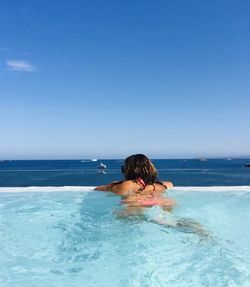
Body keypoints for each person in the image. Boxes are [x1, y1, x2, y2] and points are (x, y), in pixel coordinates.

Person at [95, 154, 175, 211]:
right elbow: (170, 184)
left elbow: (98, 188)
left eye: (124, 168)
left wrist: (114, 184)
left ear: (128, 170)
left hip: (135, 209)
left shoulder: (124, 186)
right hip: (161, 205)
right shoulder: (160, 186)